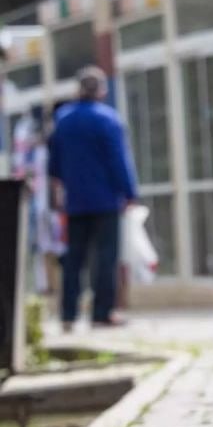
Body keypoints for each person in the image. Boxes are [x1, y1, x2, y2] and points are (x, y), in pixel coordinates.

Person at [48, 66, 138, 331]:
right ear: (102, 90)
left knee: (73, 259)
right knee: (106, 257)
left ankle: (68, 315)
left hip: (74, 202)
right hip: (105, 201)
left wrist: (57, 195)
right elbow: (118, 160)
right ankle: (101, 313)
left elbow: (54, 166)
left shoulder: (63, 120)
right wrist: (130, 193)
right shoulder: (108, 119)